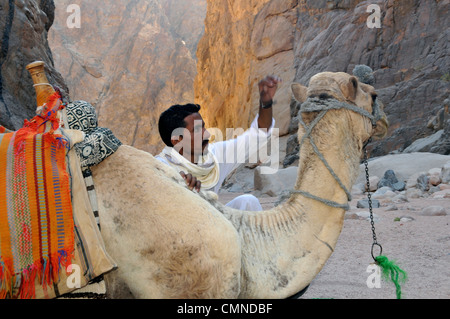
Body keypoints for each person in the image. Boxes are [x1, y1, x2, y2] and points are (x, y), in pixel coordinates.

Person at [155, 75, 281, 211]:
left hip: (214, 224)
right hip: (181, 229)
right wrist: (179, 191)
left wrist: (266, 103)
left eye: (203, 127)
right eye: (197, 130)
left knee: (248, 202)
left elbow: (257, 135)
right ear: (177, 140)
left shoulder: (214, 156)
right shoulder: (160, 169)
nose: (206, 134)